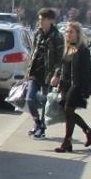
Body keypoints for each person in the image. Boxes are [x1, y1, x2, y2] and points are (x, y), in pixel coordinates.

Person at [51, 21, 91, 153]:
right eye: (67, 32)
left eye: (71, 32)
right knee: (68, 112)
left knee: (68, 110)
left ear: (78, 34)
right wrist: (58, 79)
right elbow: (63, 66)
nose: (68, 34)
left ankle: (67, 142)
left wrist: (83, 89)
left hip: (77, 86)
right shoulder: (68, 48)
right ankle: (88, 131)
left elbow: (87, 71)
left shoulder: (83, 50)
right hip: (66, 85)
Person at [25, 8, 64, 139]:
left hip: (49, 75)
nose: (40, 22)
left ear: (50, 20)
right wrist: (28, 71)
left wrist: (56, 75)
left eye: (42, 19)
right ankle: (37, 123)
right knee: (29, 99)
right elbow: (33, 53)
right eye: (39, 19)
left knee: (46, 103)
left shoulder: (57, 36)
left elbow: (61, 59)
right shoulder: (38, 33)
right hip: (35, 73)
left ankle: (42, 128)